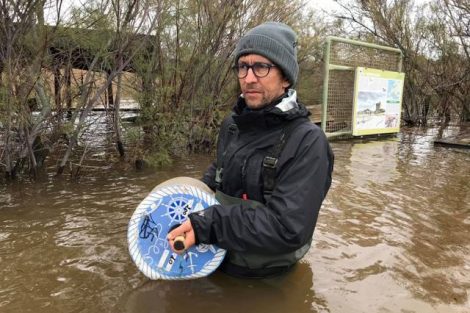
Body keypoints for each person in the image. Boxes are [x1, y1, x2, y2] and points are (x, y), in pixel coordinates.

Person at [168, 22, 334, 278]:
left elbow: (288, 228)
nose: (249, 78)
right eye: (243, 66)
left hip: (266, 278)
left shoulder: (309, 143)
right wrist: (188, 204)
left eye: (261, 67)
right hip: (214, 261)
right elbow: (218, 172)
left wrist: (209, 224)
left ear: (286, 78)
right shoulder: (232, 125)